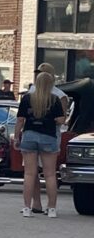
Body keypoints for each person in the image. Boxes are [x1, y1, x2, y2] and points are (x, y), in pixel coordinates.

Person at [15, 71, 65, 218]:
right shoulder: (54, 99)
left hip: (29, 135)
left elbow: (20, 120)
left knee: (29, 174)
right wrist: (52, 119)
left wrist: (17, 137)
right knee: (49, 175)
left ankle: (26, 208)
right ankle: (51, 209)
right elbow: (61, 120)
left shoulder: (27, 98)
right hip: (48, 136)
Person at [26, 63, 69, 213]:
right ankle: (37, 203)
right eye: (37, 72)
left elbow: (62, 118)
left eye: (41, 73)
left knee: (46, 172)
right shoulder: (32, 90)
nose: (38, 75)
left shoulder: (59, 95)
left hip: (49, 133)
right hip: (43, 134)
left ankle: (49, 205)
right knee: (36, 172)